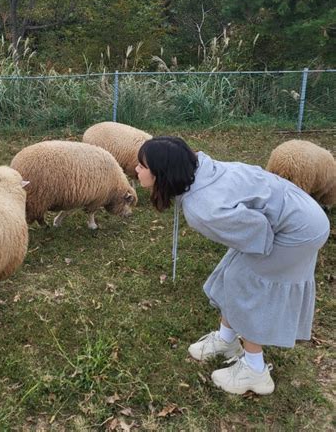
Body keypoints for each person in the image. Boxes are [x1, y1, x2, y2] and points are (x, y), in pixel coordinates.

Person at [135, 136, 330, 396]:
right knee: (232, 272)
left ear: (161, 174)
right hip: (298, 211)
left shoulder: (203, 208)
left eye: (142, 165)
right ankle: (227, 340)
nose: (136, 169)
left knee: (246, 284)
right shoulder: (203, 169)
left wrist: (256, 270)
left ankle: (255, 371)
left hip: (299, 230)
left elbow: (259, 232)